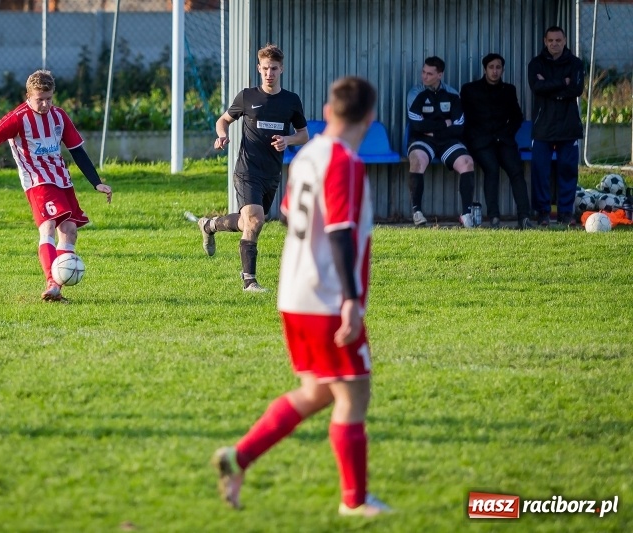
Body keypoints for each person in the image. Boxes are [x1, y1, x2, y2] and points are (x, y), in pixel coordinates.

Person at [212, 76, 390, 518]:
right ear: (369, 118)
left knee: (319, 392)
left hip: (293, 295)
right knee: (354, 393)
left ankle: (239, 458)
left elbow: (292, 211)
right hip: (326, 298)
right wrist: (350, 299)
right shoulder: (344, 162)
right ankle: (355, 501)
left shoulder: (307, 156)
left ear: (328, 113)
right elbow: (341, 232)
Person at [0, 69, 113, 301]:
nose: (45, 104)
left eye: (49, 99)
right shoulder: (17, 118)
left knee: (69, 231)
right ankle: (52, 282)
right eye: (40, 99)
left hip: (61, 179)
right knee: (47, 226)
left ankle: (59, 283)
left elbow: (77, 150)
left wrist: (96, 182)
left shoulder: (59, 116)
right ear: (28, 96)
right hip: (36, 181)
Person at [197, 43, 308, 292]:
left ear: (282, 70)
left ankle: (209, 225)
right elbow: (223, 120)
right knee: (255, 220)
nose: (269, 73)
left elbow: (304, 135)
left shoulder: (291, 101)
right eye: (265, 68)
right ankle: (249, 281)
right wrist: (221, 135)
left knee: (252, 221)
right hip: (247, 170)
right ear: (259, 68)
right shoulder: (248, 97)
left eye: (274, 69)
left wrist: (288, 140)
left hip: (272, 173)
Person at [461, 53, 534, 230]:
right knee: (491, 169)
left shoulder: (508, 90)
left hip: (504, 140)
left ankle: (524, 217)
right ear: (485, 69)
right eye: (491, 67)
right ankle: (494, 217)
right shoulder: (470, 89)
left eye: (498, 67)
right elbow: (464, 118)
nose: (495, 71)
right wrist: (473, 138)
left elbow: (517, 116)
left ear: (502, 69)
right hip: (481, 141)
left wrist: (507, 133)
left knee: (516, 171)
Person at [406, 56, 476, 227]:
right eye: (423, 72)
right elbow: (416, 123)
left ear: (440, 75)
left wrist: (433, 129)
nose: (424, 77)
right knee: (417, 159)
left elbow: (459, 125)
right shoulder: (415, 93)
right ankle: (417, 213)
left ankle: (466, 215)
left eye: (429, 74)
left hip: (447, 141)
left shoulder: (452, 94)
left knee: (467, 162)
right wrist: (444, 123)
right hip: (423, 139)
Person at [527, 25, 584, 227]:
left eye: (558, 40)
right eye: (550, 40)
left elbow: (576, 89)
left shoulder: (576, 63)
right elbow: (536, 87)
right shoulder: (536, 64)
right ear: (545, 41)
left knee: (567, 171)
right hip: (543, 126)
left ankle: (565, 214)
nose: (554, 44)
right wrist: (562, 82)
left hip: (568, 126)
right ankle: (543, 213)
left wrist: (550, 86)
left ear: (565, 40)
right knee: (540, 171)